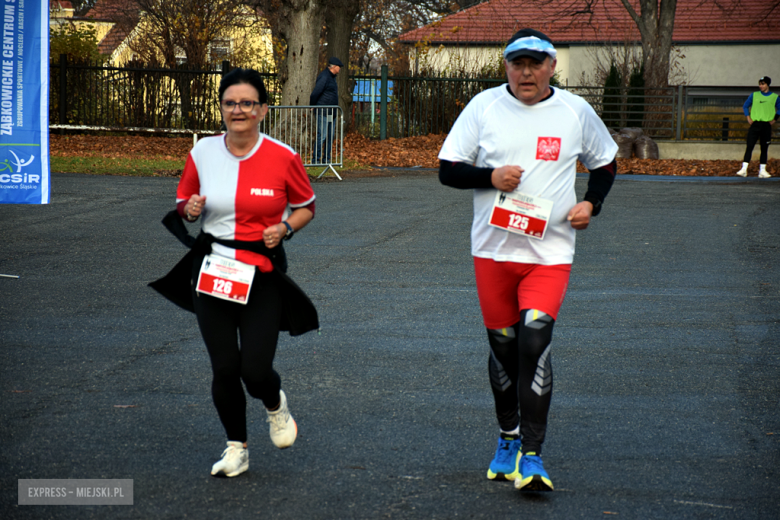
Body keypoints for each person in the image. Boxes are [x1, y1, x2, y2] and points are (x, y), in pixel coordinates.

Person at [438, 28, 618, 492]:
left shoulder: (575, 111)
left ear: (552, 67)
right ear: (506, 68)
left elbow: (605, 163)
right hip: (493, 252)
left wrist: (591, 204)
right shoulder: (484, 106)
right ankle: (508, 439)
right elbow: (448, 169)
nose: (526, 72)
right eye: (517, 63)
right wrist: (490, 175)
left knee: (533, 344)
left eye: (536, 63)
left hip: (550, 253)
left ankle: (533, 457)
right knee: (503, 348)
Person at [150, 68, 319, 478]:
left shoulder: (283, 156)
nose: (238, 110)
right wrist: (188, 209)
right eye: (230, 103)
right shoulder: (203, 152)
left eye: (247, 103)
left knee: (254, 371)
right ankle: (236, 448)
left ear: (262, 109)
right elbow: (184, 199)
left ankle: (275, 404)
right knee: (225, 367)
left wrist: (284, 228)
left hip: (260, 274)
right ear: (222, 108)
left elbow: (307, 206)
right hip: (212, 271)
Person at [736, 76, 779, 178]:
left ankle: (762, 171)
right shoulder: (754, 95)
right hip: (755, 124)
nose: (761, 86)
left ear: (767, 85)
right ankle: (743, 169)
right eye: (760, 84)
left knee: (764, 148)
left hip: (766, 125)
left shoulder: (774, 97)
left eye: (763, 84)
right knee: (749, 146)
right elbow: (745, 106)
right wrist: (748, 117)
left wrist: (774, 119)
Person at [310, 56, 344, 164]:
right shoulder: (324, 76)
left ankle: (326, 159)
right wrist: (313, 105)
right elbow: (315, 92)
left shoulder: (332, 77)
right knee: (322, 136)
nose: (340, 69)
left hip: (331, 112)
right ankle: (316, 160)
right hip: (323, 111)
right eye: (339, 67)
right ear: (333, 67)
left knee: (329, 136)